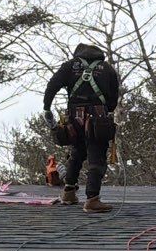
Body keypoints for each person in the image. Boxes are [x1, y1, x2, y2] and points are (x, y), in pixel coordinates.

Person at [43, 42, 122, 213]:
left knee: (77, 153)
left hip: (73, 117)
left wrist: (47, 109)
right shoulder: (106, 68)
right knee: (97, 156)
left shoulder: (70, 66)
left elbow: (52, 86)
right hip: (97, 117)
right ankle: (92, 199)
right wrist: (106, 110)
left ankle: (69, 192)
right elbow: (113, 97)